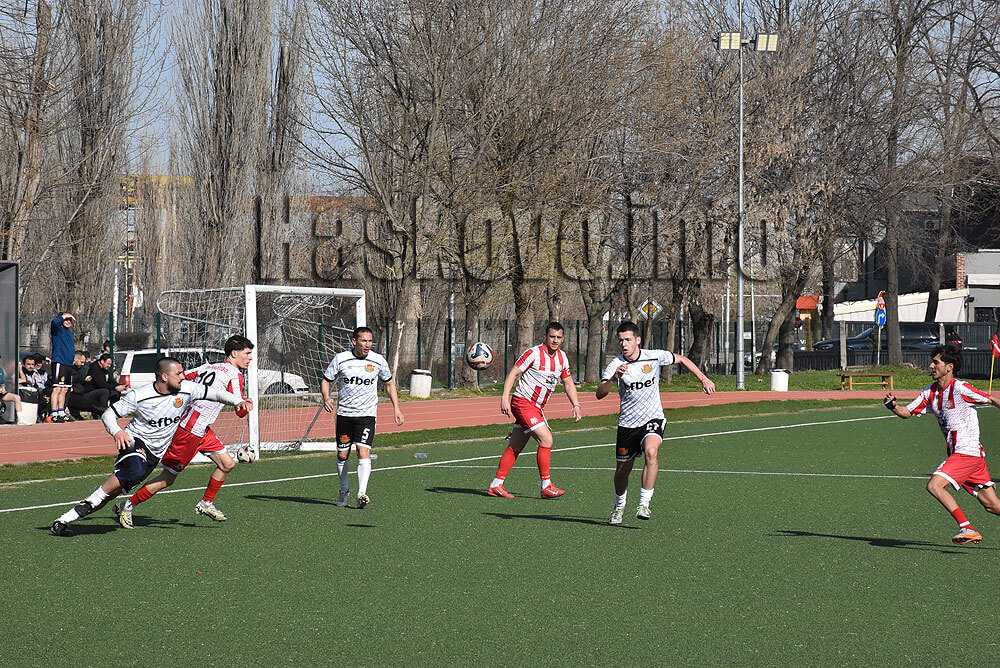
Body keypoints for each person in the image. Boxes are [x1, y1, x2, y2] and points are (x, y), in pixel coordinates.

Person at [49, 357, 250, 536]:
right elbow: (109, 414)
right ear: (164, 376)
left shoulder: (188, 389)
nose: (183, 376)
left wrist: (239, 401)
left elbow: (216, 394)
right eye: (178, 373)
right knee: (133, 472)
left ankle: (64, 520)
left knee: (112, 494)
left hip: (155, 453)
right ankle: (77, 512)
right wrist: (118, 432)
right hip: (135, 443)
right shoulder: (140, 395)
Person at [114, 335, 255, 528]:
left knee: (227, 464)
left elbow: (180, 378)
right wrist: (246, 404)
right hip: (189, 432)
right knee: (167, 479)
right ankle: (127, 505)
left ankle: (206, 503)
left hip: (201, 429)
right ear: (234, 353)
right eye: (247, 353)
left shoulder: (207, 367)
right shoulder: (234, 375)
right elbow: (239, 411)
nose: (250, 358)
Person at [596, 321, 715, 526]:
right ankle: (619, 507)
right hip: (628, 424)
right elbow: (600, 394)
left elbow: (681, 359)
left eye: (628, 340)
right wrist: (614, 378)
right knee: (623, 469)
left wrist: (703, 379)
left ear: (638, 340)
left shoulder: (654, 356)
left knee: (651, 452)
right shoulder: (616, 364)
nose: (624, 344)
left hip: (653, 418)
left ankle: (644, 504)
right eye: (621, 340)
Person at [884, 343, 1000, 545]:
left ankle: (967, 528)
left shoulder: (960, 388)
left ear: (949, 367)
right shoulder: (930, 392)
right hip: (966, 457)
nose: (931, 366)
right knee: (993, 506)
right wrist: (893, 407)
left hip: (967, 452)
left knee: (934, 485)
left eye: (936, 362)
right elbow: (906, 412)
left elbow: (992, 400)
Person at [487, 321, 583, 499]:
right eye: (552, 336)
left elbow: (568, 383)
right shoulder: (533, 353)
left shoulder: (562, 358)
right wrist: (504, 398)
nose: (555, 340)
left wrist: (576, 405)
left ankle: (496, 485)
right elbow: (513, 373)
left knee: (516, 446)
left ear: (563, 339)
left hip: (537, 408)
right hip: (523, 402)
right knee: (546, 439)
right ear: (545, 336)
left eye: (558, 337)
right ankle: (546, 486)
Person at [321, 326, 404, 509]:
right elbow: (326, 380)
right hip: (345, 415)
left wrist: (396, 409)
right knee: (342, 454)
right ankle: (344, 490)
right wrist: (326, 397)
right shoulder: (341, 359)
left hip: (367, 415)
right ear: (354, 341)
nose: (367, 344)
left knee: (363, 451)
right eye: (364, 341)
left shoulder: (378, 360)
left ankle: (361, 494)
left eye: (370, 341)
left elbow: (389, 384)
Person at [67, 350, 110, 419]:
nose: (83, 364)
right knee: (93, 405)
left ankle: (106, 412)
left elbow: (79, 382)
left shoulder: (78, 369)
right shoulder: (69, 370)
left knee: (102, 394)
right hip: (75, 395)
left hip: (82, 392)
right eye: (81, 362)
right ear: (75, 359)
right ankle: (107, 412)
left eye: (84, 362)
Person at [49, 312, 75, 422]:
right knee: (57, 388)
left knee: (65, 389)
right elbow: (54, 322)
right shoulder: (58, 330)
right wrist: (64, 316)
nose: (68, 322)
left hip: (68, 364)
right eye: (66, 320)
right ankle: (54, 413)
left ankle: (61, 412)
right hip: (59, 362)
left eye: (70, 320)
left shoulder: (69, 332)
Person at [0, 352, 22, 422]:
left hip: (1, 394)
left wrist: (3, 388)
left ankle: (20, 419)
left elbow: (2, 382)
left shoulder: (1, 370)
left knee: (16, 397)